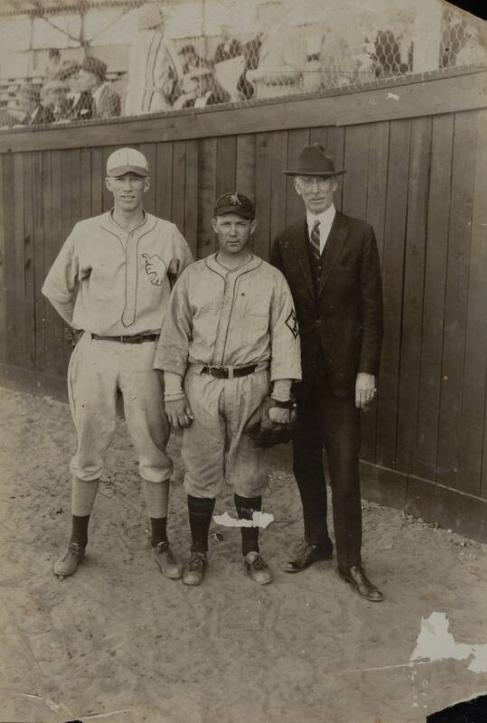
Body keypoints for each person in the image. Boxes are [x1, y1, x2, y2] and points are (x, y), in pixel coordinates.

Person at [41, 147, 193, 579]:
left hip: (148, 351)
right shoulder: (86, 231)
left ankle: (160, 542)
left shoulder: (166, 234)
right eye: (120, 179)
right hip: (97, 350)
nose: (128, 187)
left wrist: (172, 343)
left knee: (153, 449)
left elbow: (188, 293)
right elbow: (56, 288)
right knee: (89, 447)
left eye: (135, 179)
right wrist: (85, 326)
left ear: (147, 183)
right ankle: (76, 543)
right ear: (108, 184)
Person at [154, 192, 301, 587]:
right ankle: (199, 551)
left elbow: (285, 340)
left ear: (252, 227)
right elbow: (174, 337)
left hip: (252, 383)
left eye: (241, 223)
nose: (233, 231)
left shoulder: (272, 279)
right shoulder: (194, 276)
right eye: (226, 222)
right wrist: (172, 391)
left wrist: (281, 395)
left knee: (250, 474)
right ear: (215, 225)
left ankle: (251, 551)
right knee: (201, 470)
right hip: (202, 383)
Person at [271, 144, 384, 602]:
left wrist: (366, 372)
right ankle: (317, 540)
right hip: (301, 377)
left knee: (343, 468)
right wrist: (281, 378)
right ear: (296, 186)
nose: (314, 190)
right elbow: (279, 315)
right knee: (304, 463)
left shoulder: (359, 235)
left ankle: (351, 562)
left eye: (322, 181)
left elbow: (373, 311)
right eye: (306, 182)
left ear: (335, 184)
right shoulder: (285, 240)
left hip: (342, 380)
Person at [125, 2, 183, 116]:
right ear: (158, 22)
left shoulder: (133, 42)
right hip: (153, 98)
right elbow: (179, 74)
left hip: (131, 100)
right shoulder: (162, 39)